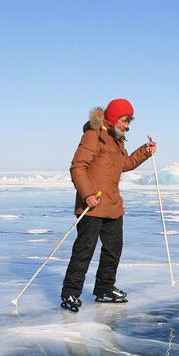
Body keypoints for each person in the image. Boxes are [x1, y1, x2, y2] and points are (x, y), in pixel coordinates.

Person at [61, 98, 156, 311]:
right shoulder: (93, 136)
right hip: (92, 205)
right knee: (84, 251)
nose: (126, 126)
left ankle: (104, 289)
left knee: (113, 249)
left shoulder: (117, 140)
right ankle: (70, 294)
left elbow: (124, 164)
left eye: (128, 121)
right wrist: (87, 195)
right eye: (123, 120)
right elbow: (78, 166)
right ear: (112, 118)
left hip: (112, 205)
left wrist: (144, 152)